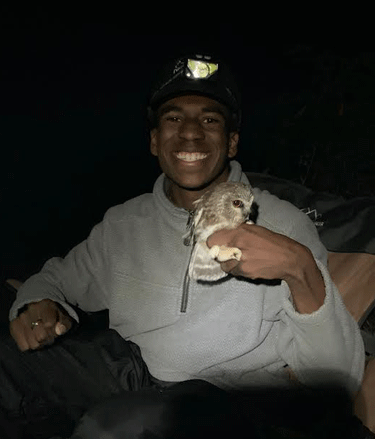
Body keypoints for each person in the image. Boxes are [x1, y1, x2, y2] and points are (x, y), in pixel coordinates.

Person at [0, 54, 369, 438]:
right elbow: (58, 279)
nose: (191, 132)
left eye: (210, 120)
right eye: (174, 118)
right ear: (155, 140)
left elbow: (338, 377)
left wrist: (300, 268)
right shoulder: (123, 223)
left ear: (231, 142)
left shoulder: (283, 222)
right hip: (131, 371)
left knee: (113, 427)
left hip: (229, 398)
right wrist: (37, 302)